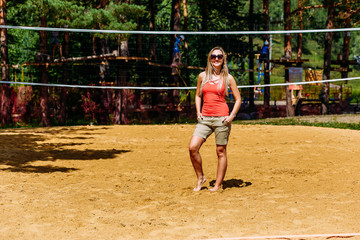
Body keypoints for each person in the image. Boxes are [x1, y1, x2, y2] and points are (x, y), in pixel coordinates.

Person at [189, 46, 241, 192]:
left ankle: (217, 185)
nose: (216, 59)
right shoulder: (202, 76)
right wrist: (198, 112)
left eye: (219, 56)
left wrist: (231, 116)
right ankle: (201, 177)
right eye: (213, 56)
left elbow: (238, 99)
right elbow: (198, 95)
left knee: (220, 151)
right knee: (193, 147)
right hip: (205, 118)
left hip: (221, 119)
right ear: (209, 59)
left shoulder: (228, 78)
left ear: (223, 59)